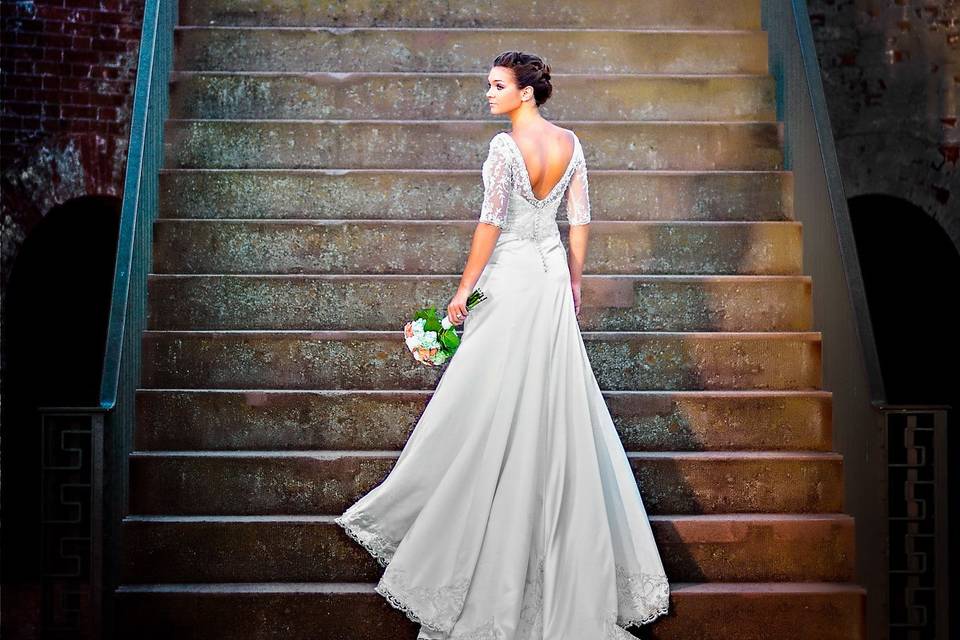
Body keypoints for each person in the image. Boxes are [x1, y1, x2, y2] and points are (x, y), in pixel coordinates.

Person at [335, 50, 670, 639]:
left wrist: (463, 292)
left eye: (496, 86)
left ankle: (464, 528)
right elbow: (580, 218)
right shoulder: (571, 143)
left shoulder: (502, 148)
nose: (487, 95)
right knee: (552, 403)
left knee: (486, 402)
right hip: (547, 280)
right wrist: (574, 279)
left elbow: (491, 221)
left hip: (511, 277)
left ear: (525, 93)